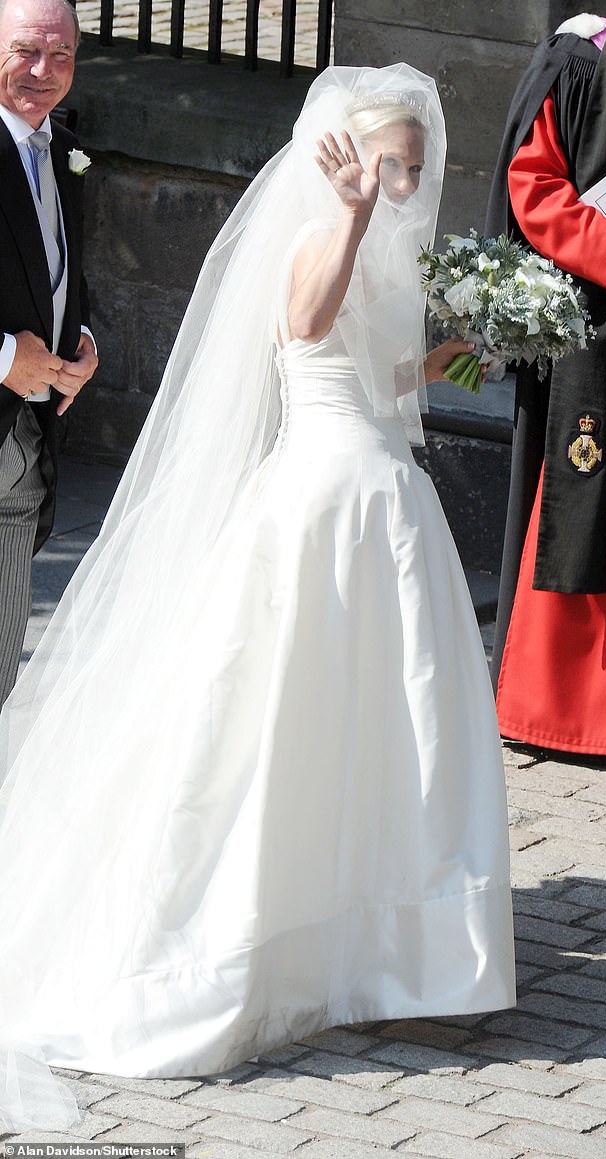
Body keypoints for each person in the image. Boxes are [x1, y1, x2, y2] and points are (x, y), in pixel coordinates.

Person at [0, 63, 515, 1132]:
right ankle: (242, 938)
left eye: (416, 170)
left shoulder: (400, 241)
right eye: (391, 166)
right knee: (278, 719)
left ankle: (389, 948)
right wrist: (351, 210)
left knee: (392, 718)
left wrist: (468, 350)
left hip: (390, 504)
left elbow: (385, 373)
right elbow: (307, 321)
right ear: (348, 159)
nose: (407, 185)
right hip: (321, 503)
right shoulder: (318, 232)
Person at [486, 6, 606, 758]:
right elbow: (534, 186)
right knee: (584, 499)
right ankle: (567, 710)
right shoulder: (579, 62)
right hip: (598, 331)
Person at [0, 0, 97, 707]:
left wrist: (83, 343)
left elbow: (64, 275)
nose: (45, 71)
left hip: (26, 446)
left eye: (61, 55)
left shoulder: (64, 151)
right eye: (28, 50)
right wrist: (5, 356)